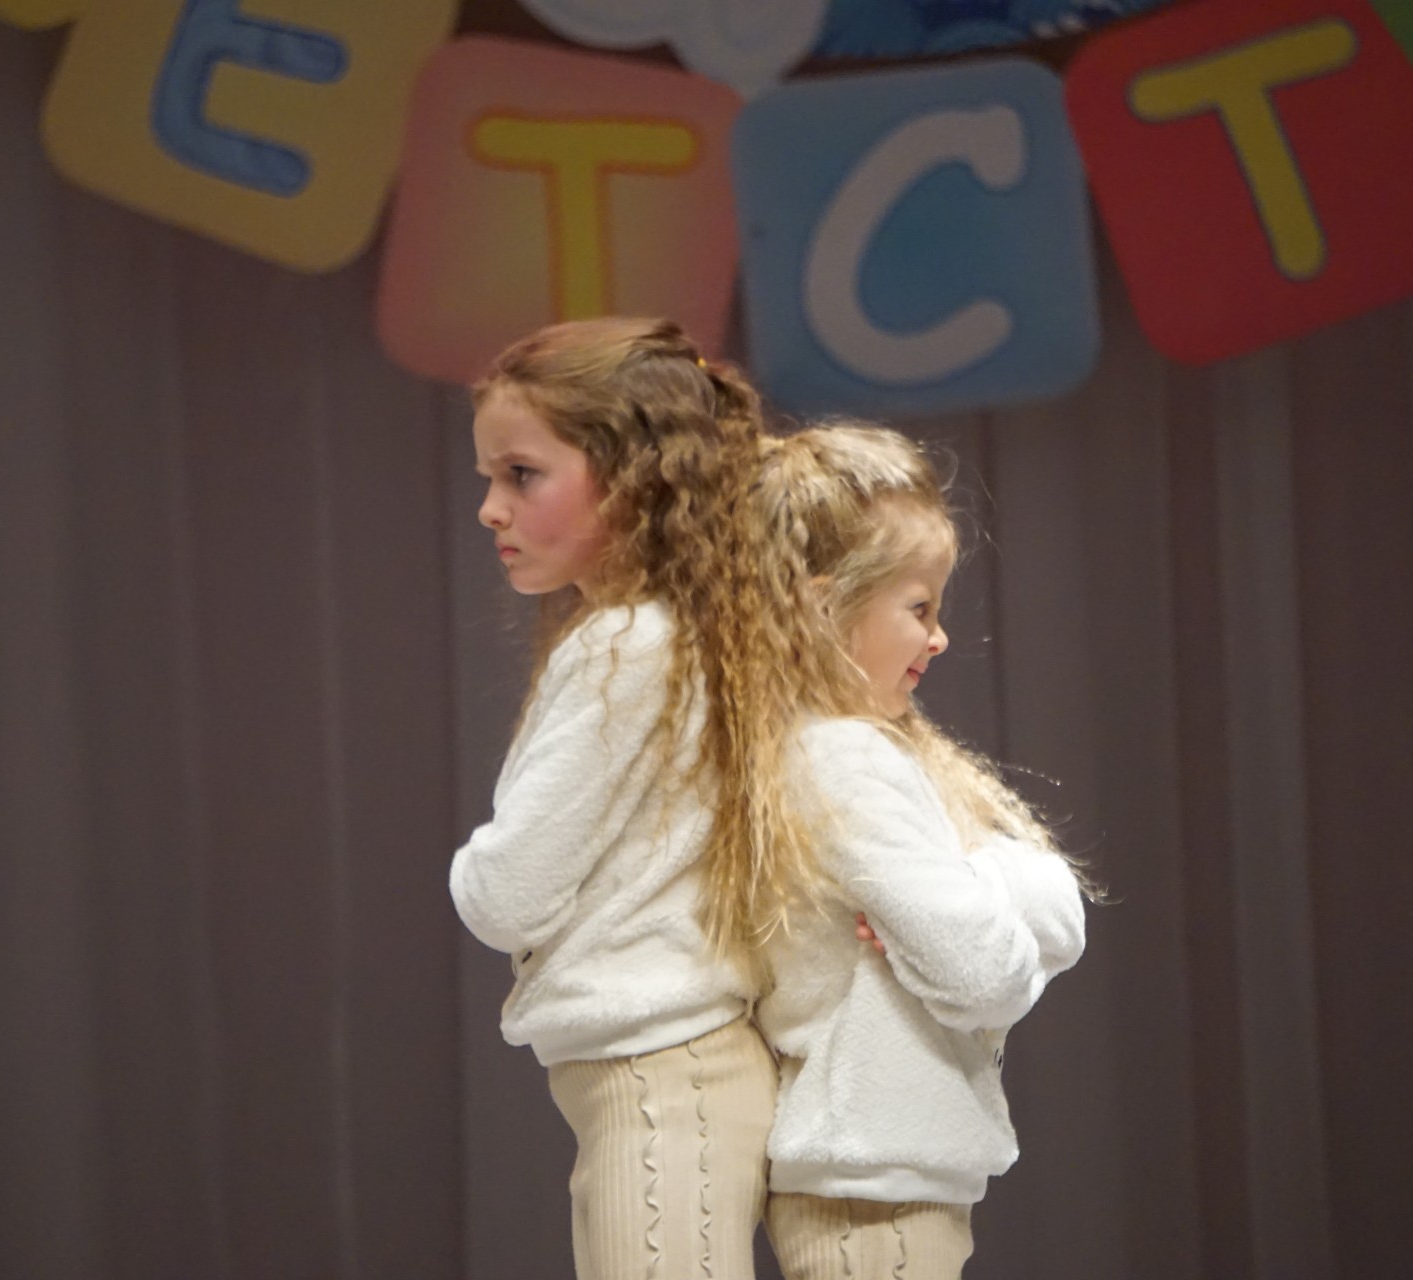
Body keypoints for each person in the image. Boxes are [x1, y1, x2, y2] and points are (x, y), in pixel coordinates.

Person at [450, 317, 808, 1280]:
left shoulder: (627, 644)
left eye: (521, 475)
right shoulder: (681, 633)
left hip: (660, 1078)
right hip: (669, 1078)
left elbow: (505, 894)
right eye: (489, 477)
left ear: (633, 475)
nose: (490, 508)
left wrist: (474, 866)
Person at [748, 423, 1092, 1280]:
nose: (938, 638)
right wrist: (988, 902)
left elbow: (1058, 911)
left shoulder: (859, 751)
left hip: (882, 1176)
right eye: (919, 609)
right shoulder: (845, 759)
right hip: (874, 1185)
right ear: (823, 607)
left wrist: (975, 886)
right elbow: (984, 975)